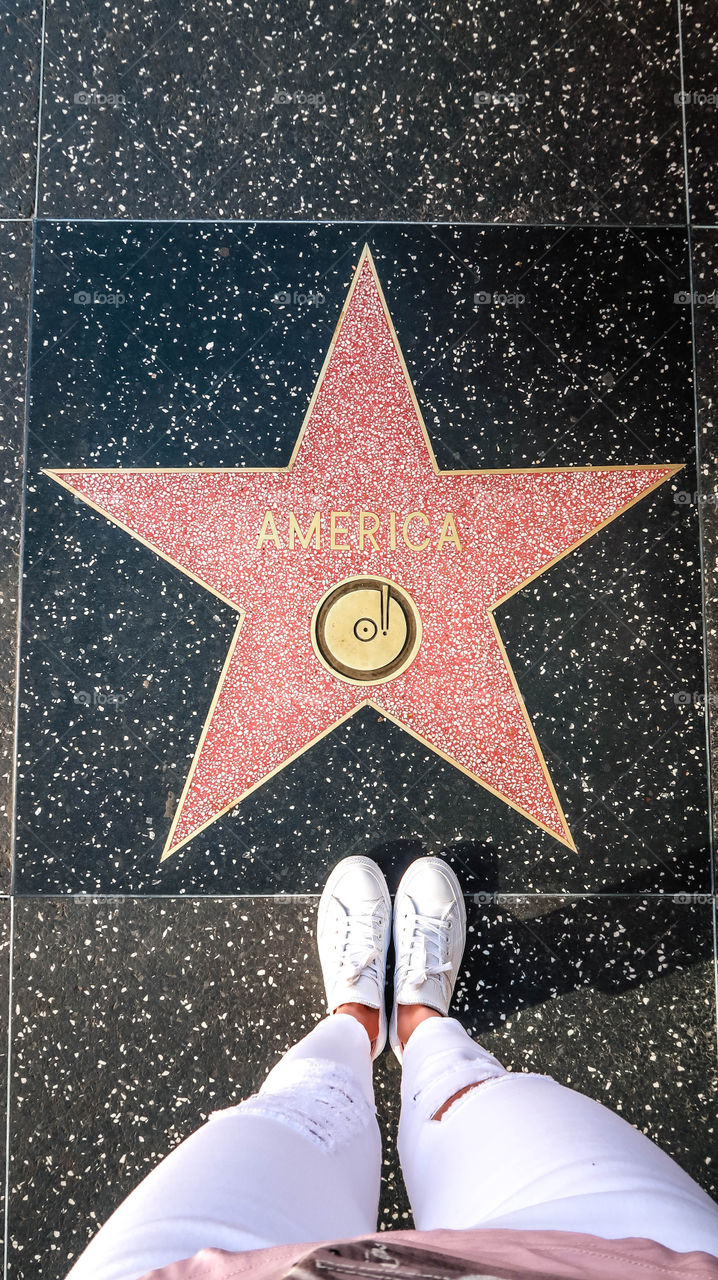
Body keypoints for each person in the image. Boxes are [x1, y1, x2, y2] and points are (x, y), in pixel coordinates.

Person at [65, 856, 718, 1280]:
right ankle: (421, 1026)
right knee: (475, 1096)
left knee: (296, 1112)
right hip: (604, 1262)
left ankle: (359, 1018)